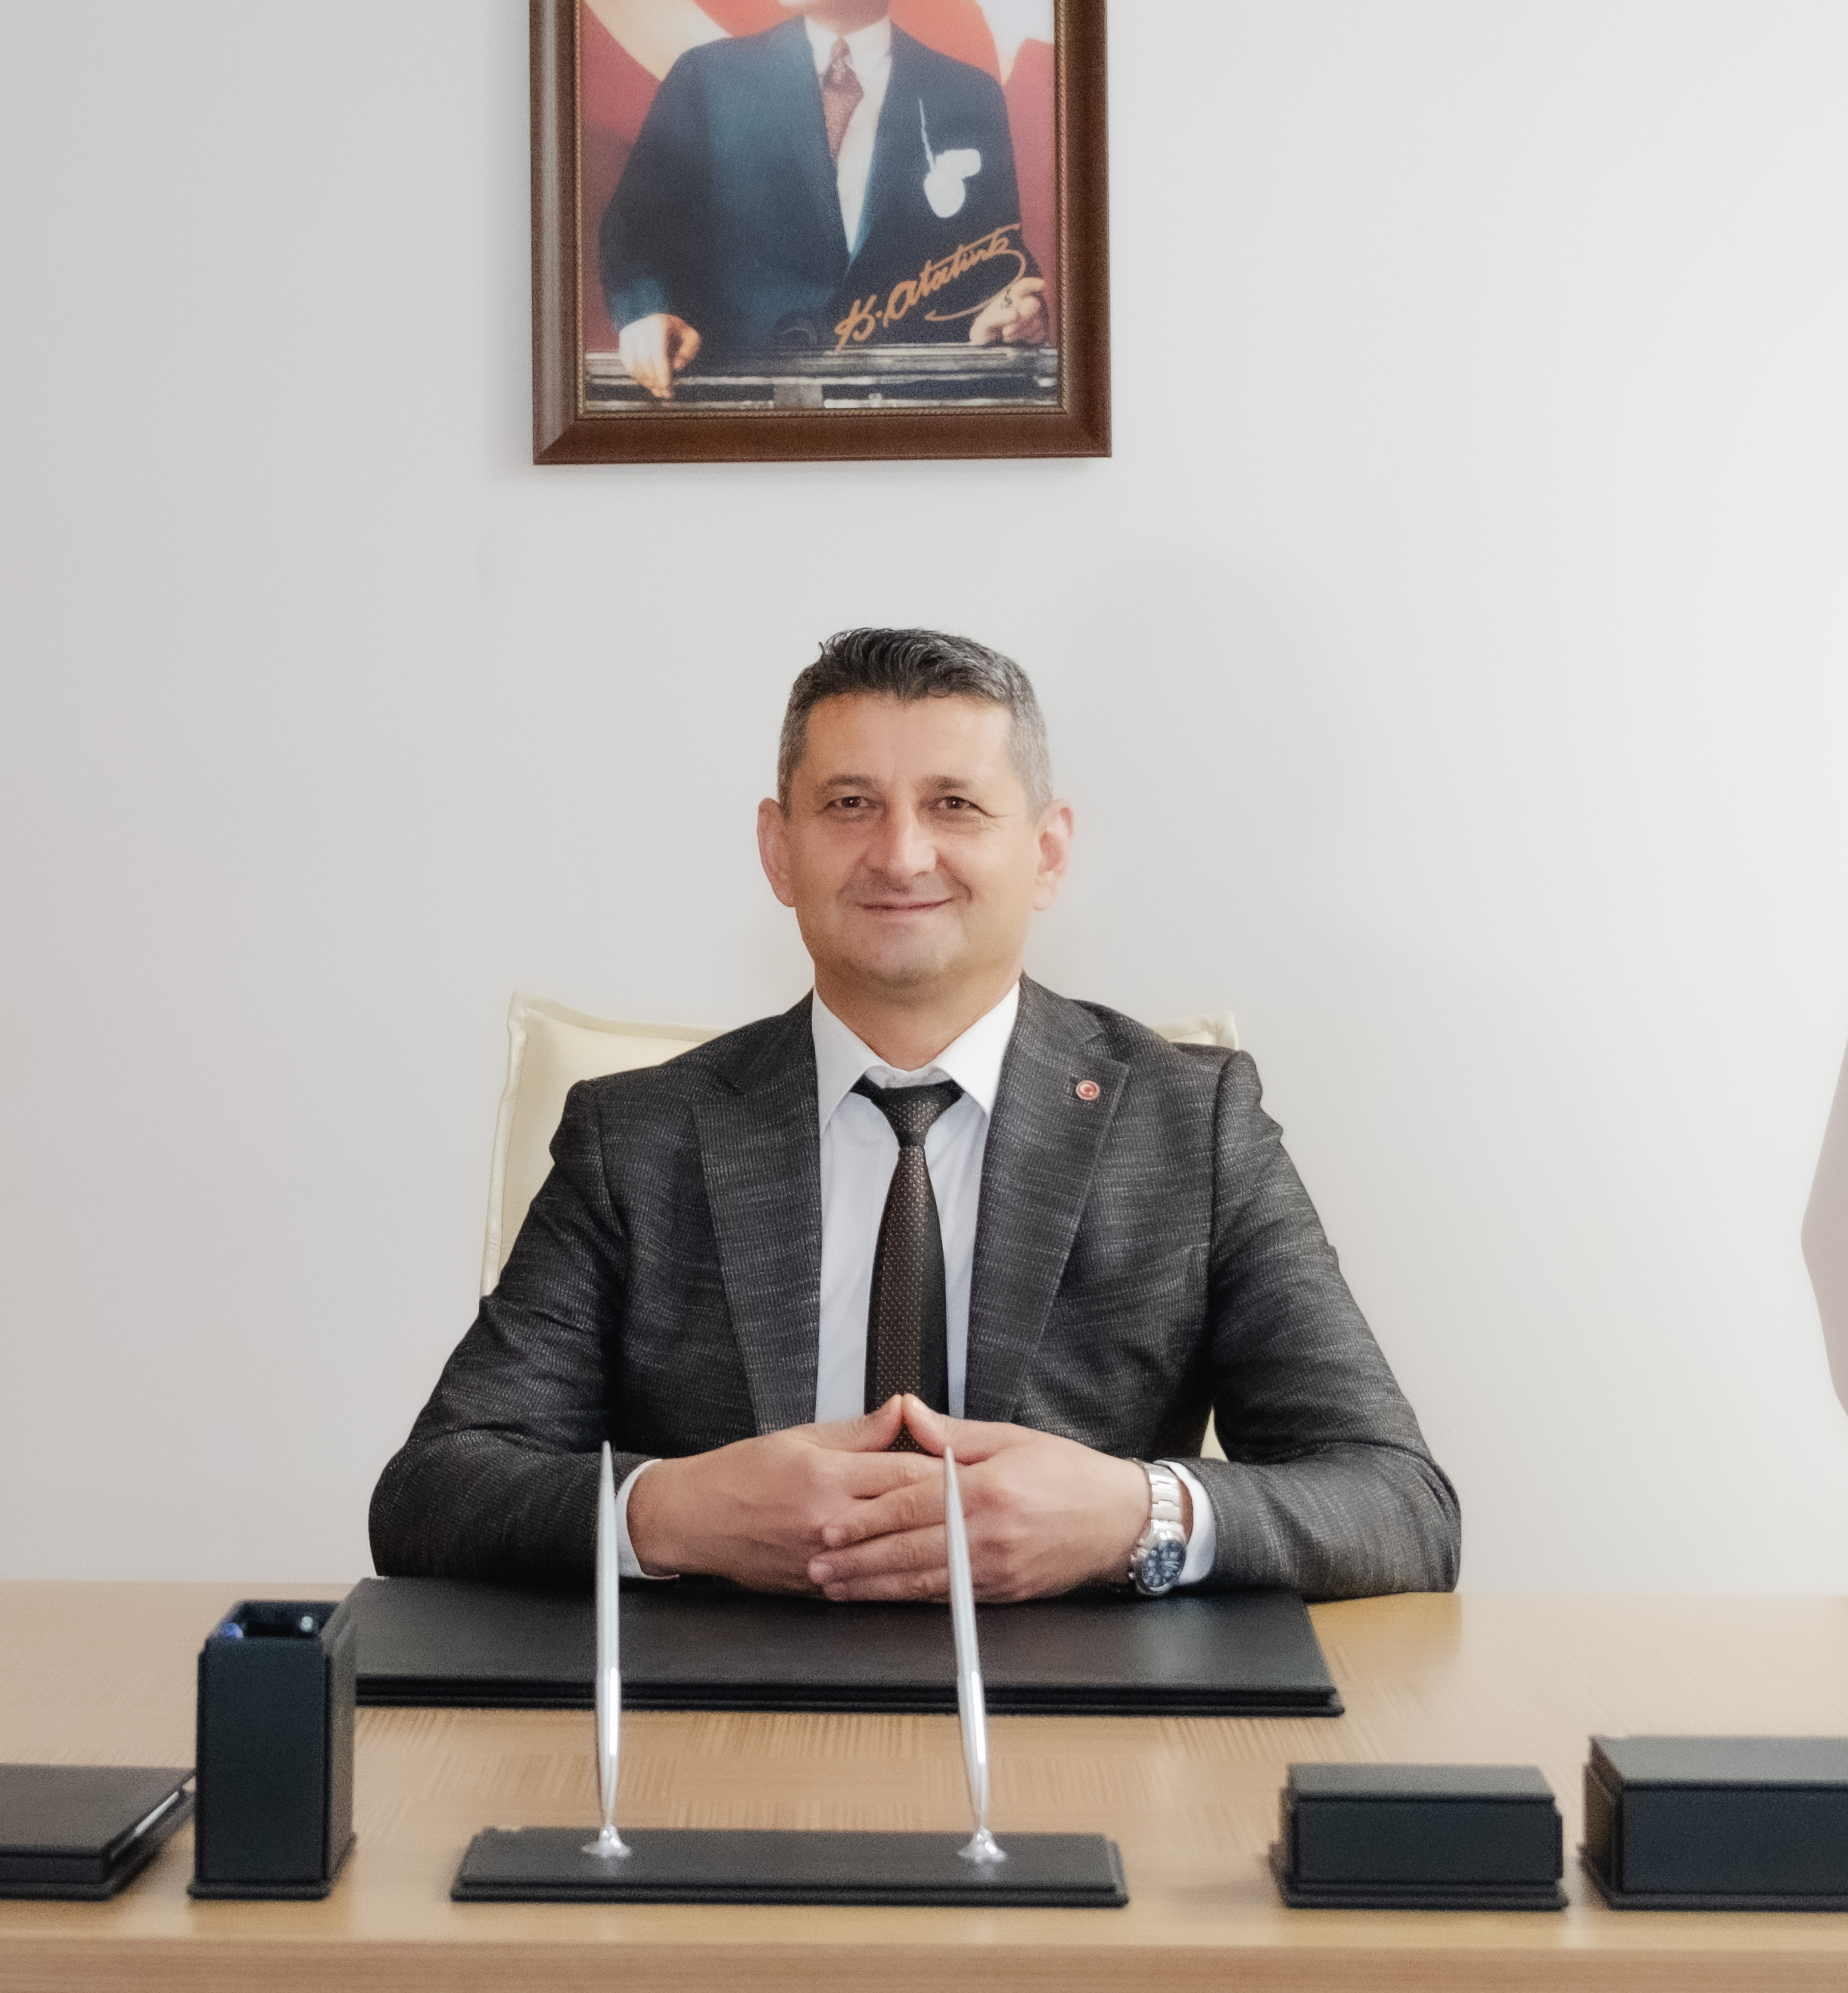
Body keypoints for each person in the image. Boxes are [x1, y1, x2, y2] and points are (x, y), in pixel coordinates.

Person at [369, 629, 1458, 1603]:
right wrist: (676, 1510)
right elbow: (433, 1494)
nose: (899, 854)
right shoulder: (640, 1137)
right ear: (778, 850)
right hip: (717, 1716)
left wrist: (1136, 1516)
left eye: (955, 805)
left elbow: (1399, 1502)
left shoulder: (1192, 1127)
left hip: (1085, 1715)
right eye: (850, 804)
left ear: (1047, 852)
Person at [593, 0, 1050, 399]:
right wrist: (646, 312)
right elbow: (637, 231)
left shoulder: (968, 94)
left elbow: (994, 256)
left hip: (907, 407)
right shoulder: (708, 79)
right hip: (740, 403)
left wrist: (1009, 313)